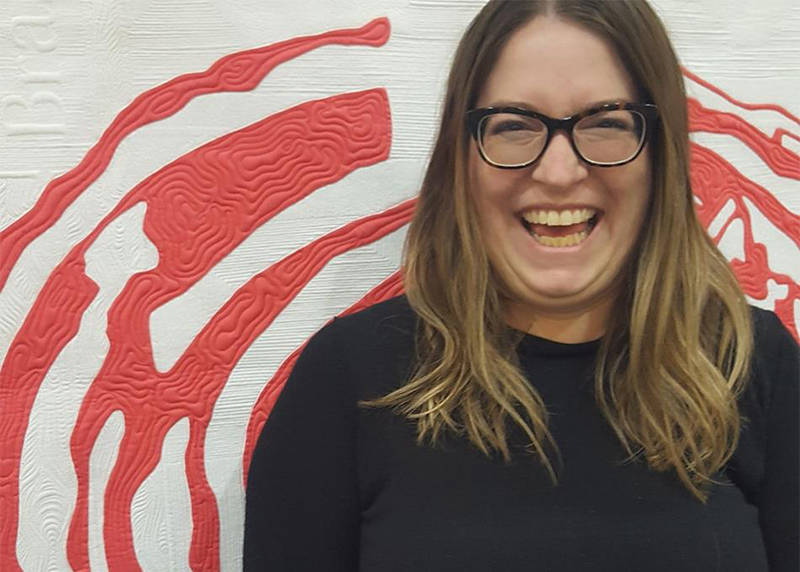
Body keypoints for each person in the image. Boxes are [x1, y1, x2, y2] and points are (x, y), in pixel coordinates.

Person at [243, 1, 799, 570]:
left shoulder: (755, 367)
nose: (558, 173)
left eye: (606, 122)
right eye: (513, 125)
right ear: (460, 158)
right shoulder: (348, 380)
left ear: (661, 153)